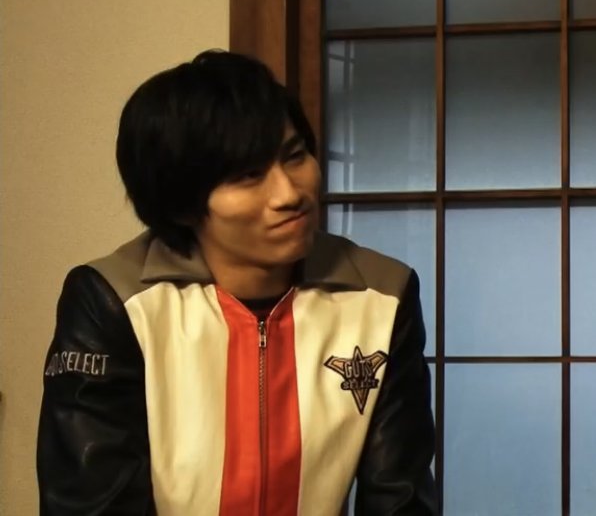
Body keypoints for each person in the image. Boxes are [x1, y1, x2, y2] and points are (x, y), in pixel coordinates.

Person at [36, 50, 437, 515]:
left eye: (295, 156)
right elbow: (92, 502)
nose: (289, 193)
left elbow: (400, 499)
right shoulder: (113, 302)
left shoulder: (382, 296)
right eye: (248, 176)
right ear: (181, 203)